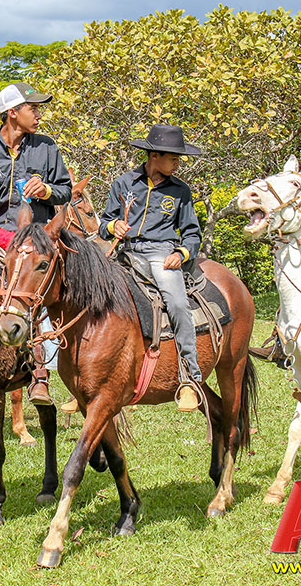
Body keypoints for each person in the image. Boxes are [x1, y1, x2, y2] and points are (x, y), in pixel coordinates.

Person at [0, 82, 73, 405]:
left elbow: (66, 191)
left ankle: (40, 374)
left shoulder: (47, 147)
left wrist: (47, 190)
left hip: (38, 239)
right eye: (32, 108)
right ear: (12, 113)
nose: (38, 114)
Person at [99, 124, 204, 412]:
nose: (177, 164)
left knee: (178, 304)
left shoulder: (181, 191)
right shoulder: (123, 183)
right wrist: (113, 225)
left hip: (161, 254)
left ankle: (190, 378)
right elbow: (104, 223)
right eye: (173, 158)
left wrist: (181, 253)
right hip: (126, 251)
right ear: (153, 155)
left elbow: (193, 233)